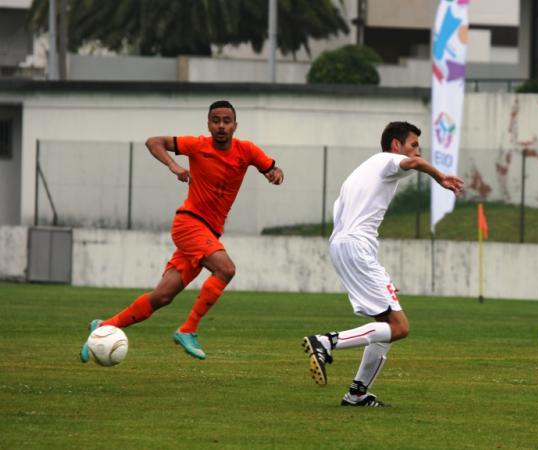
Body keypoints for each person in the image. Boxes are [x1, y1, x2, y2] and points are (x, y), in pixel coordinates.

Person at [80, 100, 284, 361]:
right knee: (226, 269)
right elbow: (153, 141)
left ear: (235, 125)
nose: (221, 126)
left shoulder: (247, 151)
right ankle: (188, 329)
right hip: (189, 224)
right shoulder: (196, 145)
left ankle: (105, 326)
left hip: (208, 233)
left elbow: (272, 168)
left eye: (226, 121)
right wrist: (173, 165)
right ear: (208, 124)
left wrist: (275, 174)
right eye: (216, 120)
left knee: (162, 296)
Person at [302, 121, 464, 407]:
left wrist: (376, 277)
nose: (417, 152)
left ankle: (357, 393)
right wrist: (439, 176)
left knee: (385, 325)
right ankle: (326, 342)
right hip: (356, 247)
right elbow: (412, 164)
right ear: (396, 145)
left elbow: (341, 213)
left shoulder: (360, 174)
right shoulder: (387, 160)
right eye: (413, 145)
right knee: (400, 327)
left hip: (343, 246)